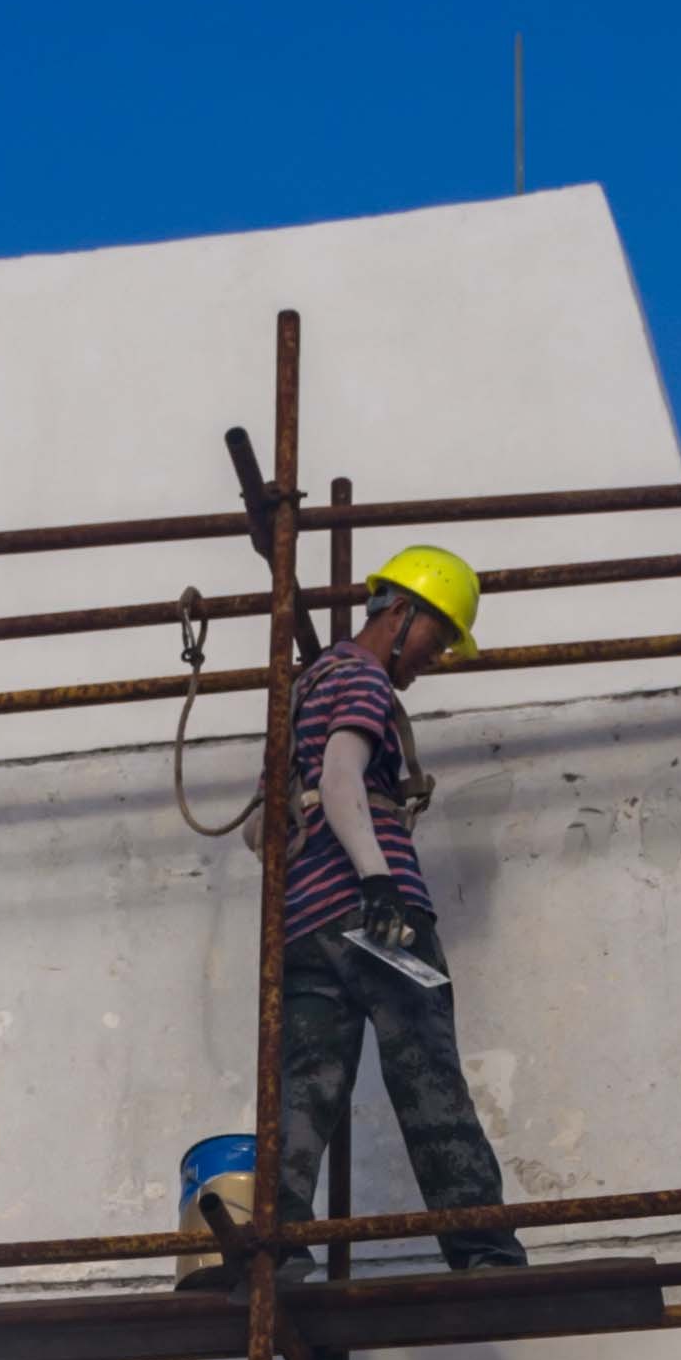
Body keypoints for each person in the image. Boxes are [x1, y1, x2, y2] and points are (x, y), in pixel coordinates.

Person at [270, 541, 524, 1279]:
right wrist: (378, 882)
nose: (435, 658)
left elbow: (267, 829)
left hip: (305, 924)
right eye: (437, 638)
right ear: (401, 612)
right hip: (375, 915)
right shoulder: (362, 680)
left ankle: (281, 1250)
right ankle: (482, 1249)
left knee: (307, 1088)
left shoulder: (300, 693)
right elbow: (344, 773)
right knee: (427, 1071)